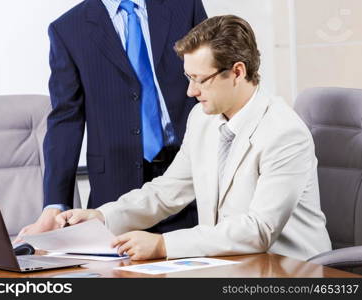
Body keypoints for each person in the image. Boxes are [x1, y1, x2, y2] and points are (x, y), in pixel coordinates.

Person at [54, 15, 332, 261]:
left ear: (237, 72)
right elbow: (167, 192)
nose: (190, 91)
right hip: (230, 264)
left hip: (288, 269)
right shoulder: (203, 119)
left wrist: (164, 244)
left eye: (200, 79)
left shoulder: (284, 133)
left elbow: (258, 229)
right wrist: (102, 217)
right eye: (188, 77)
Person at [16, 0, 207, 240]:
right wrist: (54, 204)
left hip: (187, 173)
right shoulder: (68, 29)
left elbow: (213, 77)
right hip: (115, 186)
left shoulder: (184, 6)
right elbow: (66, 119)